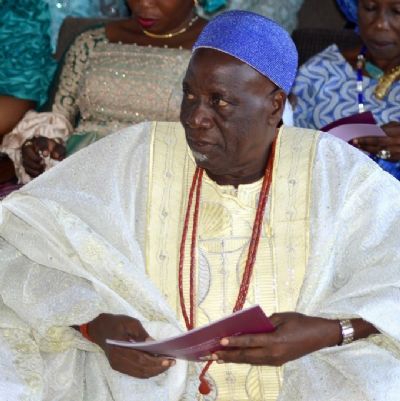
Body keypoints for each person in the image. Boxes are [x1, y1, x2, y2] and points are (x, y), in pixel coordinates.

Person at [1, 10, 400, 401]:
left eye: (219, 101)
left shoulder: (332, 170)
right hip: (145, 386)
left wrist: (330, 332)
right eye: (189, 95)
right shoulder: (137, 154)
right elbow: (20, 243)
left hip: (304, 377)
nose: (195, 117)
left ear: (275, 105)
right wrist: (94, 326)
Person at [291, 0, 400, 179]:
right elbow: (281, 148)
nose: (380, 24)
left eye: (397, 11)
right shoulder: (321, 70)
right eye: (370, 8)